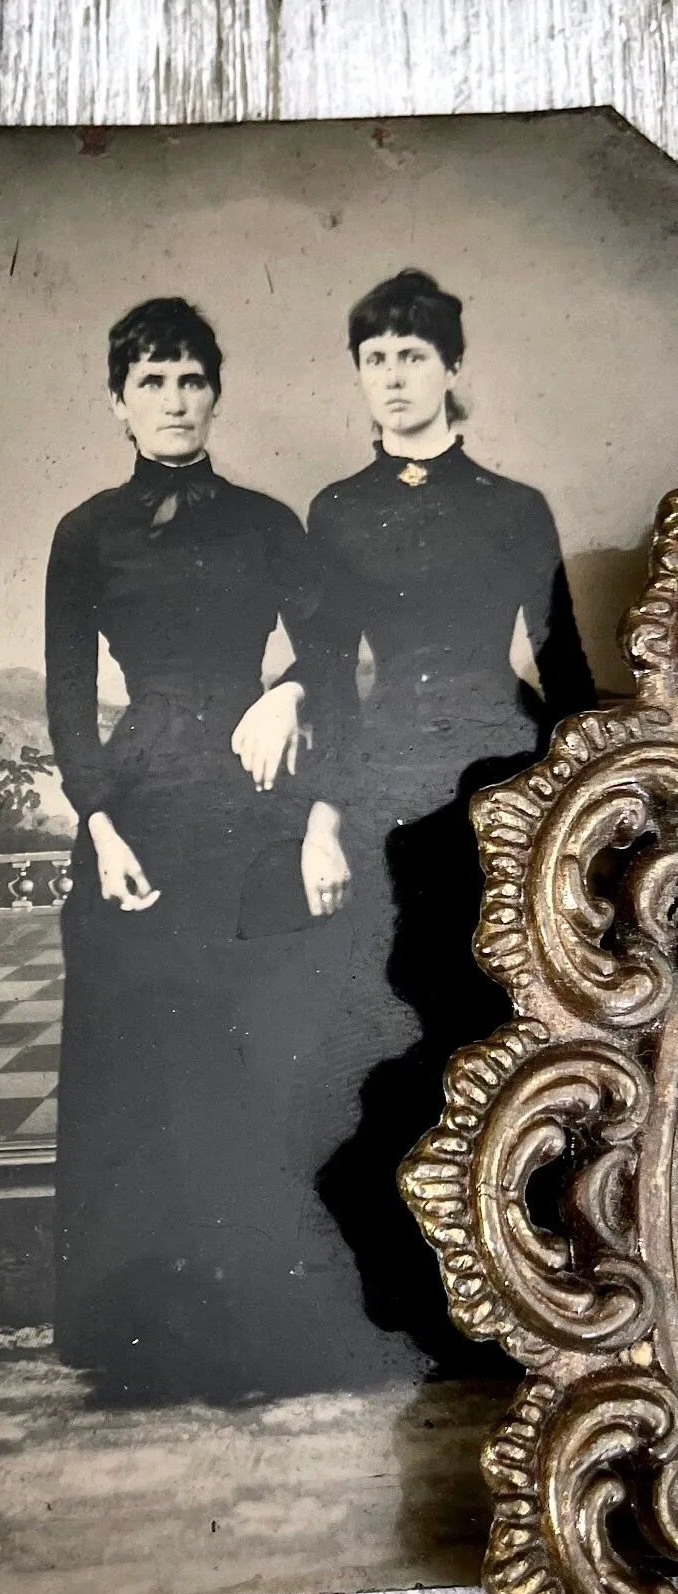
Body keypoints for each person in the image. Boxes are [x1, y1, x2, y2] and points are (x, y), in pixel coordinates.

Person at [46, 297, 377, 1406]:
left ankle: (255, 1338)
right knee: (143, 1058)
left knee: (255, 1057)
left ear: (214, 392)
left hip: (252, 811)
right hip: (134, 814)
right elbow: (62, 697)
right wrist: (95, 825)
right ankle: (145, 1338)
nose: (173, 400)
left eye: (189, 379)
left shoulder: (267, 522)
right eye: (150, 382)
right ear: (115, 402)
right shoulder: (84, 531)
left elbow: (334, 647)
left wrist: (284, 692)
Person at [309, 270, 598, 1373]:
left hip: (499, 789)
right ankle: (419, 1305)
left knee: (493, 1029)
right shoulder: (335, 510)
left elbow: (561, 665)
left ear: (451, 369)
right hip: (386, 790)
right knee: (394, 1031)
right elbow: (331, 679)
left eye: (411, 356)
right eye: (373, 358)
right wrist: (322, 814)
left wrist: (584, 813)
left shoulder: (512, 505)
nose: (391, 378)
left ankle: (520, 1294)